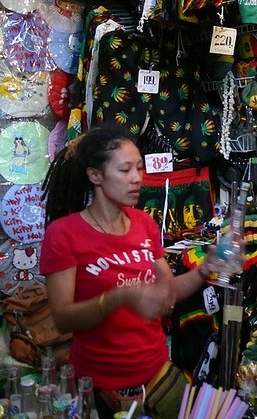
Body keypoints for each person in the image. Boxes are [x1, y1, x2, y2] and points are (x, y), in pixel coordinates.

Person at [39, 124, 222, 419]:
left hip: (157, 380)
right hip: (99, 389)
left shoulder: (144, 224)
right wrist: (119, 297)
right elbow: (62, 318)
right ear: (95, 176)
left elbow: (168, 294)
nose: (137, 178)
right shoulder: (64, 234)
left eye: (138, 167)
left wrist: (205, 270)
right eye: (125, 170)